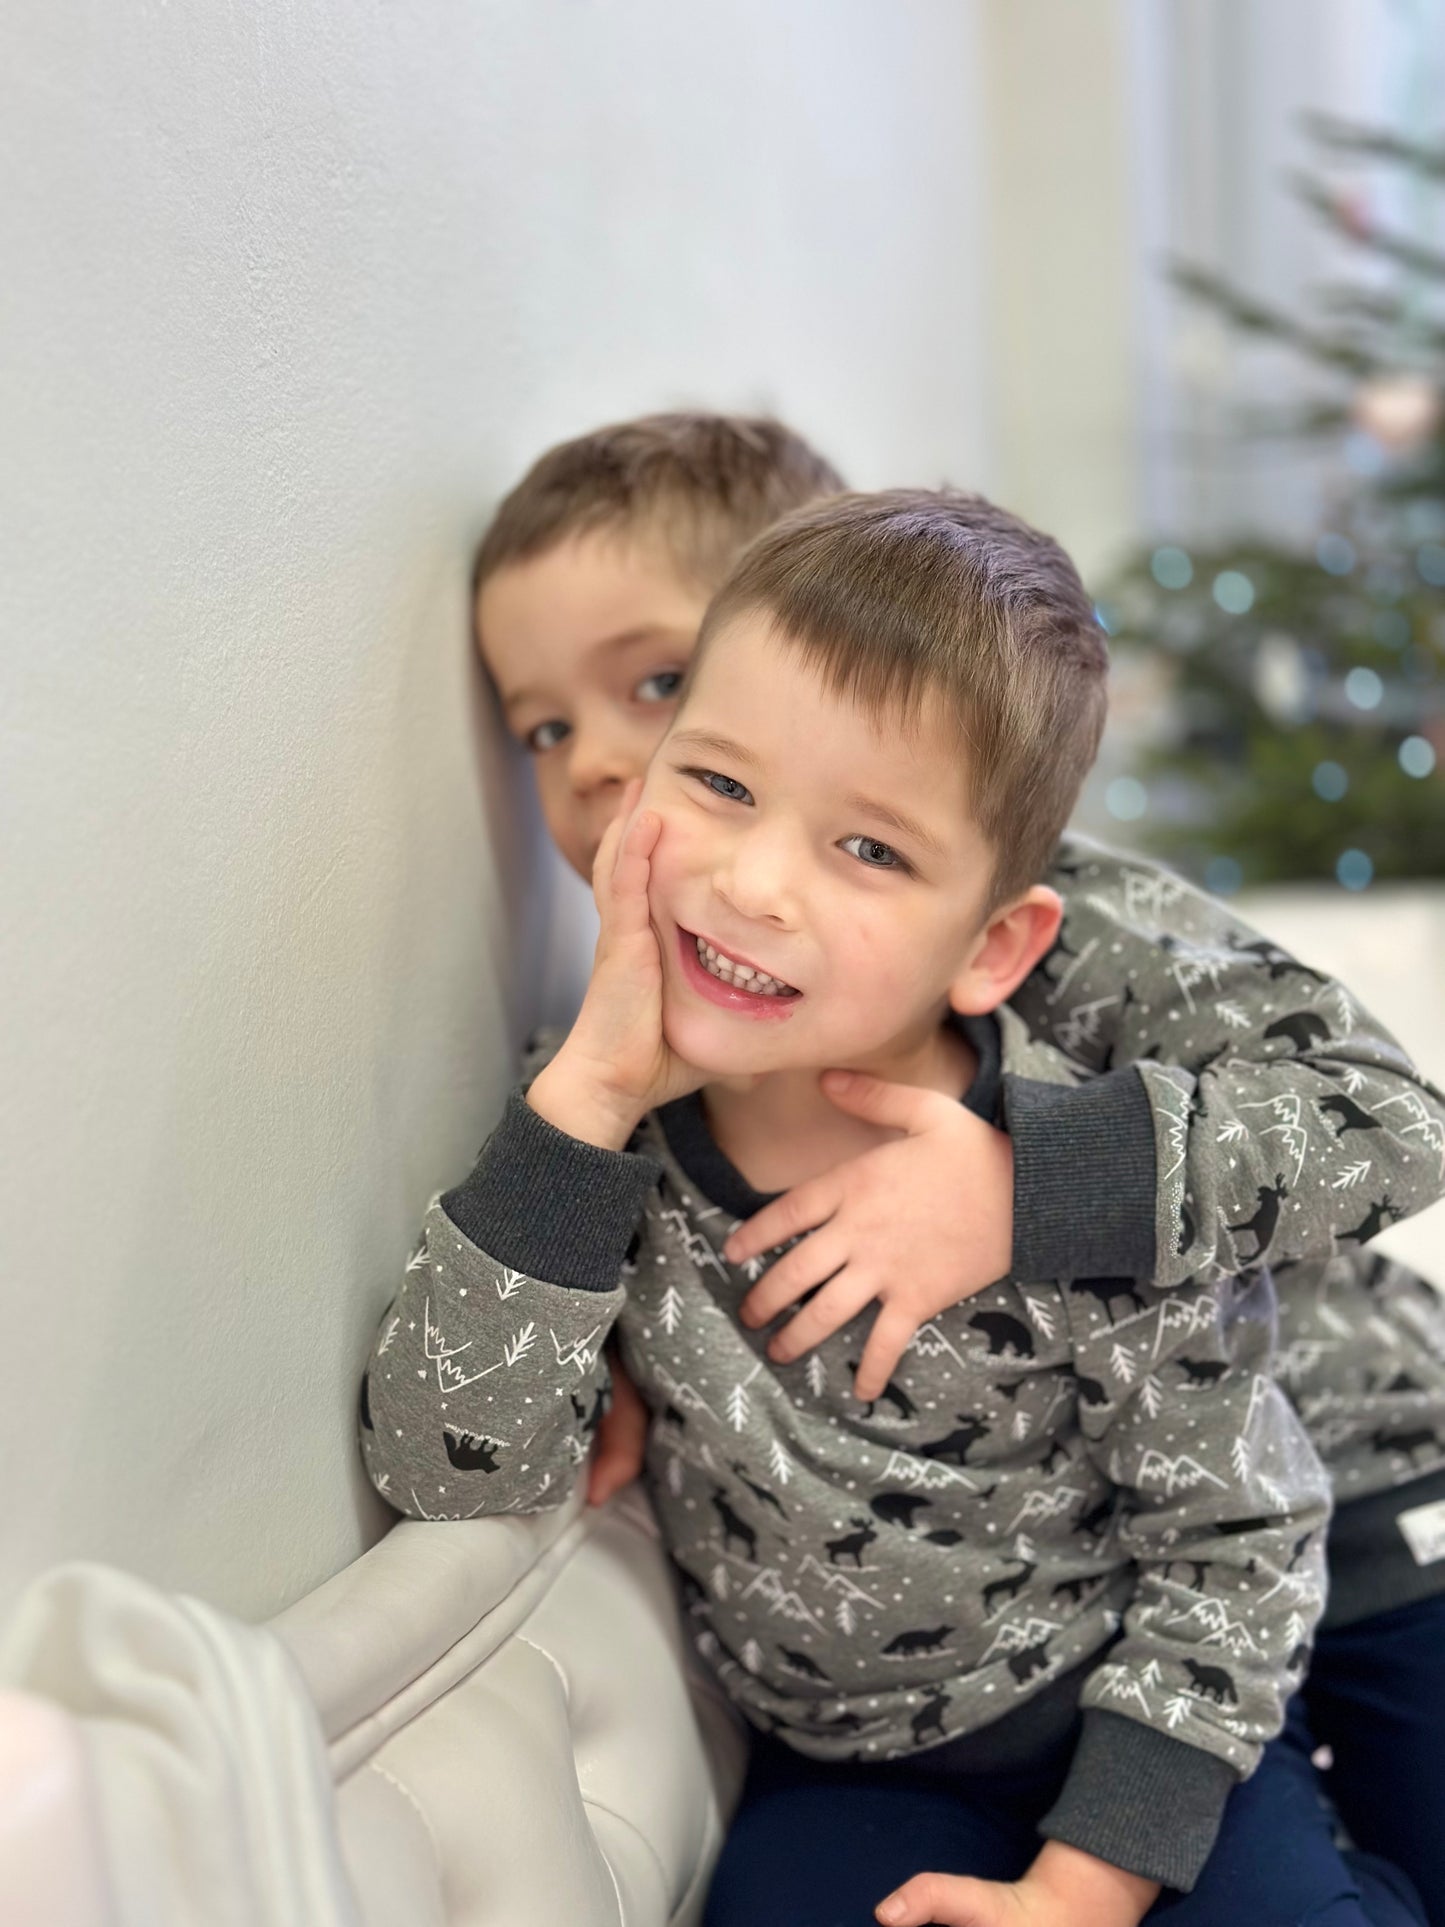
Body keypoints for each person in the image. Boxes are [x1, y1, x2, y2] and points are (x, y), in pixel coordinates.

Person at [361, 489, 1426, 1924]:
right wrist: (593, 1100)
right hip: (853, 1764)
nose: (750, 881)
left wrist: (1024, 1183)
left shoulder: (1083, 1106)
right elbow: (447, 1478)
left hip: (1245, 1620)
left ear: (995, 940)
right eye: (715, 783)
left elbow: (1235, 1533)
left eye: (867, 849)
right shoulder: (587, 1113)